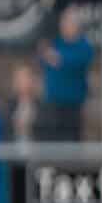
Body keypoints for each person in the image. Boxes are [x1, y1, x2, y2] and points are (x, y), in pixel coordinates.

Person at [38, 8, 93, 142]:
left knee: (71, 142)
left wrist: (55, 58)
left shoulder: (84, 46)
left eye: (68, 24)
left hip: (72, 106)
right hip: (52, 105)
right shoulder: (56, 43)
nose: (64, 27)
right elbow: (44, 58)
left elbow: (69, 62)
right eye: (63, 24)